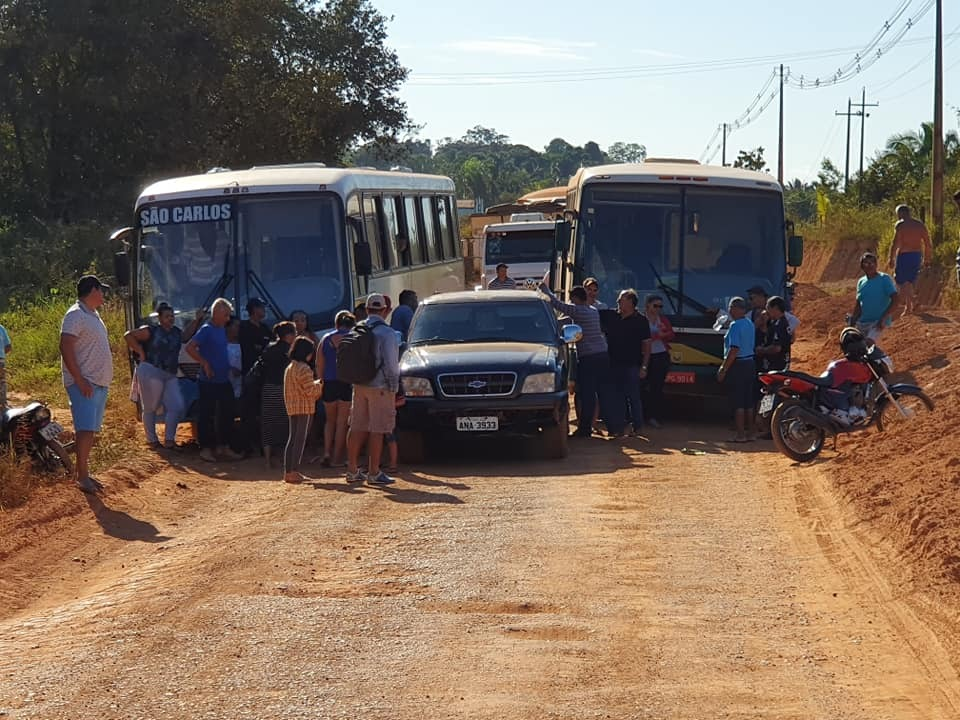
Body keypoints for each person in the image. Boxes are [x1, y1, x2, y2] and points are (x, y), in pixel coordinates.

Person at [59, 275, 113, 493]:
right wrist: (79, 380)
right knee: (85, 430)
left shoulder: (93, 315)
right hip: (84, 383)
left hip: (97, 383)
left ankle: (84, 473)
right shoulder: (75, 315)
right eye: (101, 290)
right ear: (93, 290)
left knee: (90, 431)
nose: (103, 295)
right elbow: (65, 347)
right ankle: (82, 477)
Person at [539, 281, 610, 438]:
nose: (571, 302)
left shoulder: (578, 311)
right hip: (602, 354)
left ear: (576, 299)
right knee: (601, 392)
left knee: (588, 393)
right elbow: (567, 320)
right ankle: (612, 426)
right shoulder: (592, 311)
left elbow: (557, 304)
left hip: (589, 357)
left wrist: (544, 289)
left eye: (572, 299)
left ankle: (585, 429)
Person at [345, 293, 400, 485]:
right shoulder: (387, 333)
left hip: (359, 385)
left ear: (367, 310)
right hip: (380, 386)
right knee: (378, 429)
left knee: (356, 426)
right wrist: (394, 388)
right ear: (385, 310)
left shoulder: (357, 328)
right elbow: (392, 365)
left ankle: (352, 470)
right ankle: (374, 472)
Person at [185, 297, 243, 463]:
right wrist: (204, 363)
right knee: (206, 415)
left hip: (223, 379)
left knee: (227, 412)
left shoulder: (221, 329)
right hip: (208, 380)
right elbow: (190, 347)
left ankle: (223, 446)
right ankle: (205, 449)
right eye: (226, 315)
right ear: (216, 313)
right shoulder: (206, 329)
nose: (228, 319)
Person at [124, 302, 185, 449]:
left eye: (172, 316)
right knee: (150, 407)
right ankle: (152, 441)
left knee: (176, 406)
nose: (170, 319)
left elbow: (187, 336)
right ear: (159, 318)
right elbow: (128, 336)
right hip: (151, 370)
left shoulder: (176, 332)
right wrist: (140, 351)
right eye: (167, 316)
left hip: (169, 373)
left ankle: (169, 440)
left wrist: (198, 320)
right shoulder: (150, 331)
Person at [601, 289, 651, 437]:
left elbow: (647, 346)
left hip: (632, 366)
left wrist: (644, 366)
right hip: (612, 364)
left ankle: (638, 426)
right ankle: (620, 427)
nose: (617, 301)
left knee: (633, 397)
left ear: (630, 302)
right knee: (617, 397)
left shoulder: (641, 321)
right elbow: (587, 311)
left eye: (621, 299)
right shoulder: (610, 316)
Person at [282, 336, 324, 484]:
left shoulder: (290, 367)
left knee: (292, 438)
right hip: (303, 407)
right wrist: (320, 384)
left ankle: (288, 471)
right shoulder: (304, 368)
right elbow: (311, 391)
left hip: (292, 406)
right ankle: (294, 471)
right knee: (299, 439)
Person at [316, 311, 355, 467]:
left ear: (336, 323)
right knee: (342, 423)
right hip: (345, 382)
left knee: (329, 421)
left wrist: (321, 381)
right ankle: (337, 458)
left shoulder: (325, 339)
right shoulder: (353, 339)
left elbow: (319, 363)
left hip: (329, 383)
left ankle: (326, 452)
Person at [257, 321, 297, 469]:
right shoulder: (291, 351)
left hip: (268, 389)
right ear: (289, 335)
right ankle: (283, 459)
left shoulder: (269, 348)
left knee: (268, 425)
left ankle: (267, 460)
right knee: (284, 425)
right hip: (284, 390)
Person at [716, 297, 756, 444]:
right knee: (748, 401)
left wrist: (723, 369)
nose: (730, 311)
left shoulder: (735, 326)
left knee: (738, 401)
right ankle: (751, 432)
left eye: (731, 308)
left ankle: (740, 434)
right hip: (750, 363)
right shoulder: (749, 324)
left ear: (738, 309)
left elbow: (734, 349)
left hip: (738, 365)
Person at [888, 205, 932, 316]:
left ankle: (913, 301)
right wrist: (927, 258)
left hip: (904, 255)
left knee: (901, 281)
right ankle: (908, 307)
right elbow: (927, 243)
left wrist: (891, 258)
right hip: (917, 255)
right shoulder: (920, 225)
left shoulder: (900, 225)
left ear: (901, 213)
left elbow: (895, 243)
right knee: (909, 281)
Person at [849, 251, 898, 342]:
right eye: (866, 263)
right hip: (862, 323)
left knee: (868, 345)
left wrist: (884, 317)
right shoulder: (861, 282)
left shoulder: (884, 279)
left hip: (878, 323)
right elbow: (859, 304)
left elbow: (895, 299)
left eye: (872, 263)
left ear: (876, 264)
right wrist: (853, 321)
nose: (869, 265)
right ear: (862, 266)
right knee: (854, 347)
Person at [642, 294, 674, 428]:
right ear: (648, 305)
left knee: (657, 388)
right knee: (641, 388)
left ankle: (654, 417)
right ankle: (640, 416)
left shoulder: (663, 319)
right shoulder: (641, 320)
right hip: (644, 357)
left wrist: (663, 335)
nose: (658, 309)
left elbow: (672, 334)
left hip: (660, 356)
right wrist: (656, 336)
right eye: (655, 306)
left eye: (660, 306)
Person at [0, 321, 11, 411]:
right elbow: (8, 347)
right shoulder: (1, 328)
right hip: (0, 359)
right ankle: (3, 405)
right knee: (2, 382)